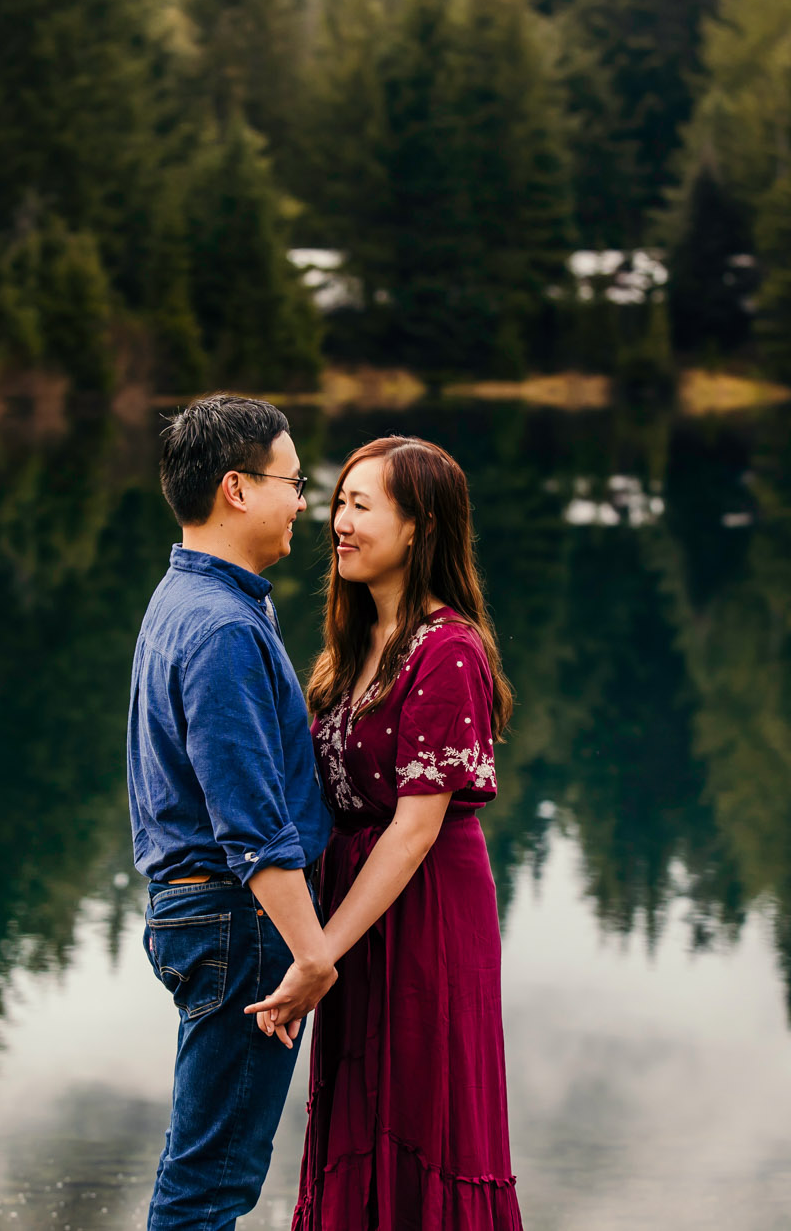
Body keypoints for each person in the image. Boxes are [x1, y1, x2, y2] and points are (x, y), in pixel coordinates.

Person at [254, 435, 523, 1230]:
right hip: (354, 911)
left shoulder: (449, 652)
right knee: (357, 1106)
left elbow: (413, 831)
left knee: (419, 1114)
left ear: (419, 528)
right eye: (338, 500)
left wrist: (318, 955)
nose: (338, 520)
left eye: (360, 505)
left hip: (425, 914)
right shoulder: (350, 648)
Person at [127, 394, 339, 1231]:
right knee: (211, 1185)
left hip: (203, 914)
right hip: (237, 921)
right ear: (237, 489)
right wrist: (311, 953)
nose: (304, 500)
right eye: (293, 481)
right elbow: (250, 826)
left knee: (204, 1166)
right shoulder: (220, 627)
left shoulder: (191, 598)